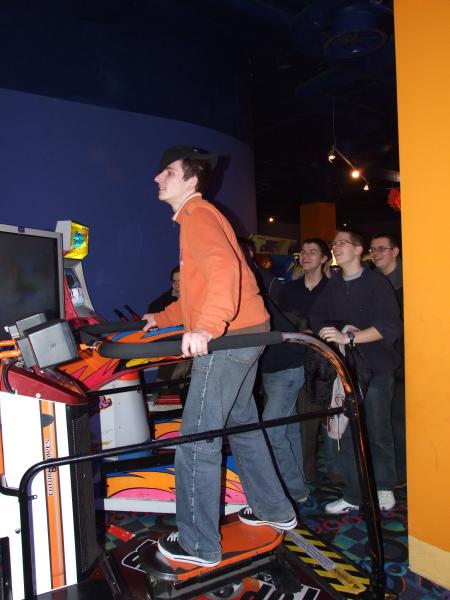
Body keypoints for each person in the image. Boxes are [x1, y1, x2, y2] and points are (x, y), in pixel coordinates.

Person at [142, 145, 297, 567]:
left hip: (229, 341)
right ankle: (273, 508)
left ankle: (199, 545)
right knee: (243, 426)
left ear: (191, 180)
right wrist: (162, 317)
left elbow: (225, 273)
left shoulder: (198, 215)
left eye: (168, 171)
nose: (158, 177)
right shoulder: (196, 217)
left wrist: (208, 327)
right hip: (247, 333)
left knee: (197, 438)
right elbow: (199, 290)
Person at [309, 228, 402, 514]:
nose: (336, 246)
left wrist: (349, 336)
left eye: (342, 243)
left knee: (377, 429)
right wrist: (333, 331)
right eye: (334, 243)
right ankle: (354, 493)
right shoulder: (334, 284)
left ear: (359, 249)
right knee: (347, 432)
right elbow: (317, 316)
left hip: (376, 368)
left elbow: (389, 326)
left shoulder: (376, 282)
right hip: (345, 369)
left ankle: (384, 486)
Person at [258, 239, 330, 506]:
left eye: (313, 252)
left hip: (318, 362)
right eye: (303, 252)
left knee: (305, 424)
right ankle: (298, 483)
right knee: (287, 427)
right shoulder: (287, 289)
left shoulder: (331, 288)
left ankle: (301, 482)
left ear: (324, 258)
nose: (306, 256)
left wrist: (311, 330)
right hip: (283, 359)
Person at [369, 234, 405, 487]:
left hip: (406, 358)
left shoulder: (411, 280)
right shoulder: (372, 281)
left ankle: (402, 472)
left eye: (382, 249)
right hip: (380, 358)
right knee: (383, 421)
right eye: (373, 249)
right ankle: (390, 473)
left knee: (399, 420)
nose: (376, 253)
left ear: (395, 251)